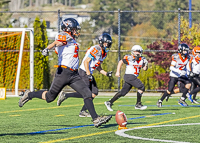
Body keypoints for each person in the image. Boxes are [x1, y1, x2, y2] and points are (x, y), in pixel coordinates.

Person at [18, 18, 112, 128]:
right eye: (74, 29)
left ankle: (96, 119)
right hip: (63, 72)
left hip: (74, 74)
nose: (76, 31)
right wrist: (48, 48)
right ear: (68, 28)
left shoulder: (71, 39)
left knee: (87, 93)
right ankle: (29, 94)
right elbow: (57, 42)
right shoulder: (64, 35)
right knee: (49, 97)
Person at [56, 33, 113, 117]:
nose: (107, 45)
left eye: (108, 43)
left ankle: (82, 110)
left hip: (88, 72)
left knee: (94, 93)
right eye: (105, 43)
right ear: (101, 42)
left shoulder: (103, 52)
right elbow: (86, 61)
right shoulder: (96, 49)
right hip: (84, 72)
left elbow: (97, 66)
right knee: (86, 93)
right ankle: (66, 95)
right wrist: (88, 74)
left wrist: (106, 73)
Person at [104, 45, 148, 111]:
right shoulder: (129, 57)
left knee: (123, 93)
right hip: (129, 75)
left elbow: (144, 69)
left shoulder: (142, 59)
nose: (137, 53)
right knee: (141, 87)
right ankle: (138, 104)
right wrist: (117, 72)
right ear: (133, 51)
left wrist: (146, 64)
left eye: (138, 51)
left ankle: (109, 102)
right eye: (136, 51)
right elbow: (120, 62)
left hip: (133, 77)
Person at [157, 43, 191, 107]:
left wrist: (187, 73)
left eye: (186, 50)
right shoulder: (176, 57)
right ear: (180, 50)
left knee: (188, 84)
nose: (186, 52)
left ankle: (182, 99)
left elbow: (187, 67)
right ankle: (160, 100)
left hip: (181, 75)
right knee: (169, 91)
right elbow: (171, 67)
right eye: (184, 50)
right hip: (174, 75)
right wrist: (179, 71)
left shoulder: (187, 58)